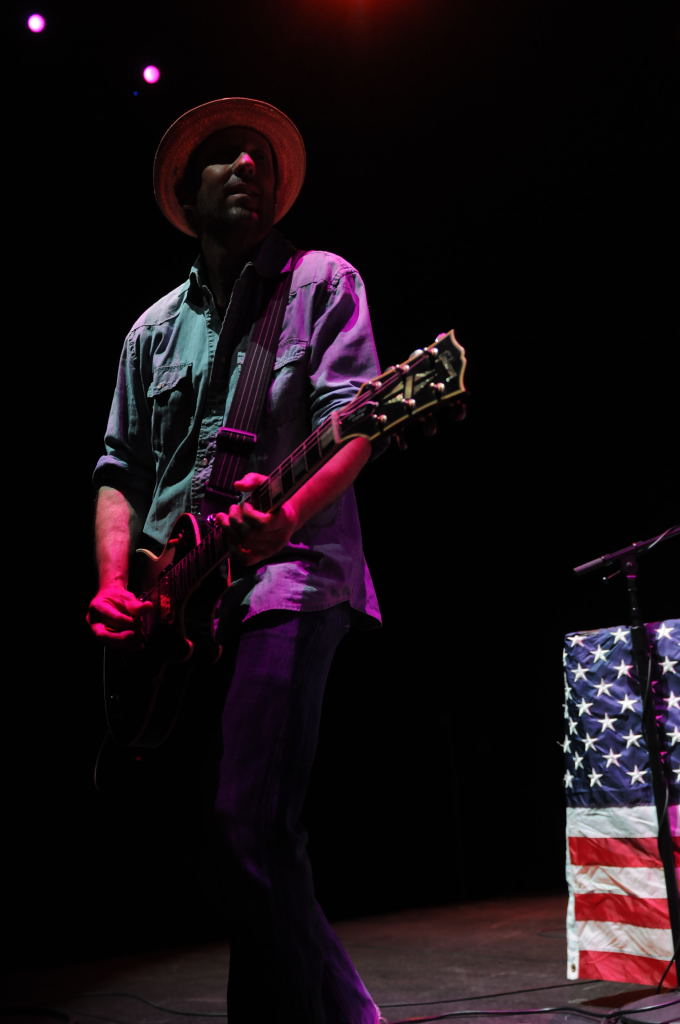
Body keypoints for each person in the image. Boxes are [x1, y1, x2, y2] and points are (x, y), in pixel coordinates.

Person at [87, 97, 383, 1024]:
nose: (249, 165)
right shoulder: (150, 332)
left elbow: (357, 424)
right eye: (226, 155)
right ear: (186, 193)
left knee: (249, 824)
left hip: (289, 574)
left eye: (260, 155)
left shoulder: (320, 282)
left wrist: (284, 513)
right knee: (235, 846)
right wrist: (114, 585)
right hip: (175, 607)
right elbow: (119, 473)